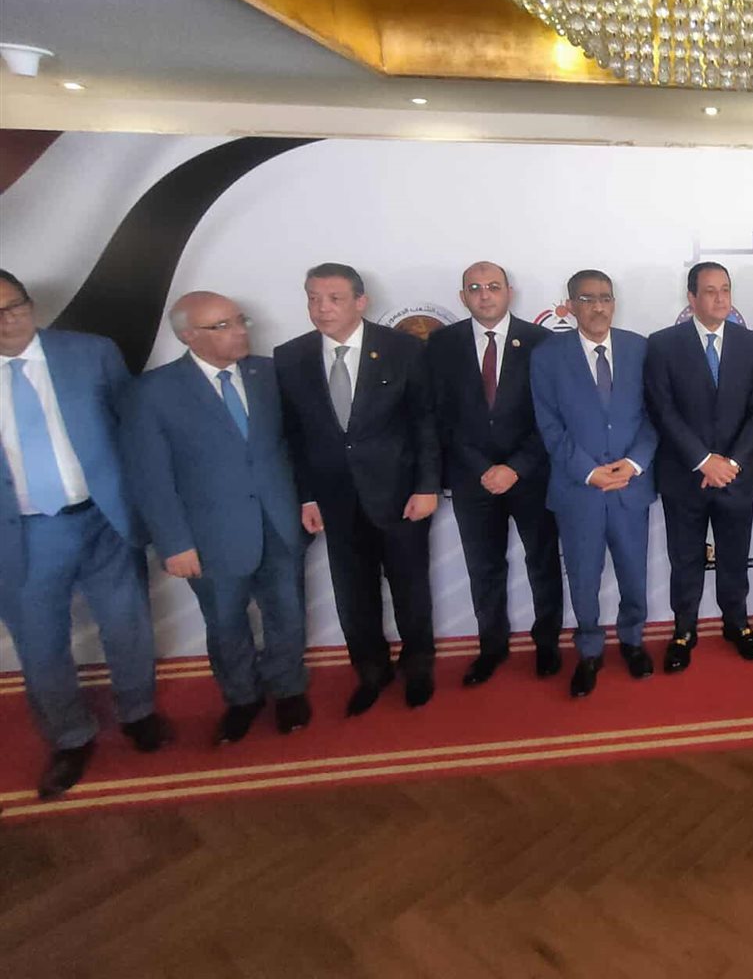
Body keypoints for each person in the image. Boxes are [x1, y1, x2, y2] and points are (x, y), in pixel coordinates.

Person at [0, 268, 168, 799]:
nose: (7, 320)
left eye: (14, 305)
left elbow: (132, 429)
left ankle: (138, 713)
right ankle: (69, 738)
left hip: (103, 518)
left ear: (29, 303)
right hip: (22, 533)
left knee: (127, 624)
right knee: (40, 644)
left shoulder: (90, 353)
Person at [120, 291, 310, 742]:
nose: (240, 331)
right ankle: (242, 697)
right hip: (209, 536)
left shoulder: (269, 374)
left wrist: (307, 501)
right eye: (222, 326)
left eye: (239, 320)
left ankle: (288, 689)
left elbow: (296, 445)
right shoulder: (152, 392)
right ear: (189, 336)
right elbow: (150, 478)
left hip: (279, 522)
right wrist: (174, 543)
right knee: (225, 622)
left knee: (287, 613)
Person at [274, 263, 440, 714]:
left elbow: (424, 422)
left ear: (360, 302)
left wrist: (427, 486)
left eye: (334, 298)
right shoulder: (290, 357)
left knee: (410, 589)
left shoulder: (403, 348)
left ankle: (418, 668)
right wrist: (307, 496)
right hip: (334, 499)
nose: (321, 308)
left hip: (400, 494)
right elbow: (293, 437)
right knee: (353, 593)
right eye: (313, 298)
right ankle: (371, 671)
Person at [427, 261, 563, 686]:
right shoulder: (442, 344)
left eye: (492, 286)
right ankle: (492, 646)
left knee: (542, 561)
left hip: (531, 476)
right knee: (484, 567)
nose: (484, 294)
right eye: (474, 288)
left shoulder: (541, 342)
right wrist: (484, 468)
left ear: (509, 291)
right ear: (462, 296)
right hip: (473, 478)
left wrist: (515, 467)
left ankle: (547, 643)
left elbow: (552, 417)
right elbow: (440, 417)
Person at [530, 270, 657, 697]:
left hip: (629, 487)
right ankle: (589, 651)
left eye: (605, 298)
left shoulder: (639, 348)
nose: (598, 307)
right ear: (570, 306)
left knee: (634, 573)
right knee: (583, 577)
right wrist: (588, 471)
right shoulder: (547, 356)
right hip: (578, 489)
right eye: (587, 299)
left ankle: (633, 641)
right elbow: (549, 425)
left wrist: (634, 464)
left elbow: (654, 415)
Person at [645, 262, 753, 672]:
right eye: (711, 291)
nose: (720, 298)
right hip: (686, 476)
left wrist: (730, 462)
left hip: (736, 475)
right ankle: (684, 630)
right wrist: (703, 461)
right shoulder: (663, 344)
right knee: (685, 559)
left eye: (725, 290)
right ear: (692, 297)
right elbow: (662, 410)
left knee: (734, 556)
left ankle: (737, 623)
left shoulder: (751, 344)